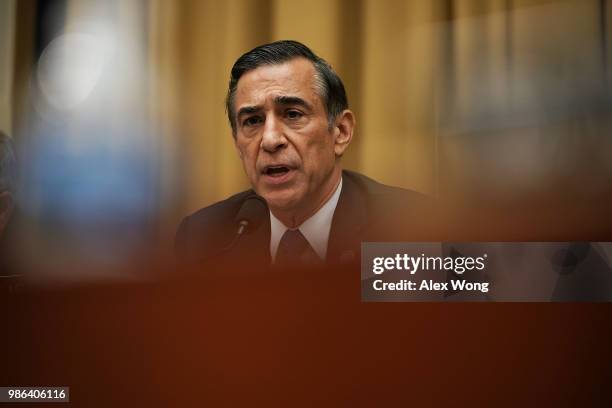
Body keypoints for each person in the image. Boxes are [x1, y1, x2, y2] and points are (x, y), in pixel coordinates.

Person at [175, 40, 436, 272]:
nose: (270, 140)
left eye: (292, 114)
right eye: (253, 120)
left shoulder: (414, 228)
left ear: (341, 132)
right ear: (237, 143)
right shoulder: (203, 239)